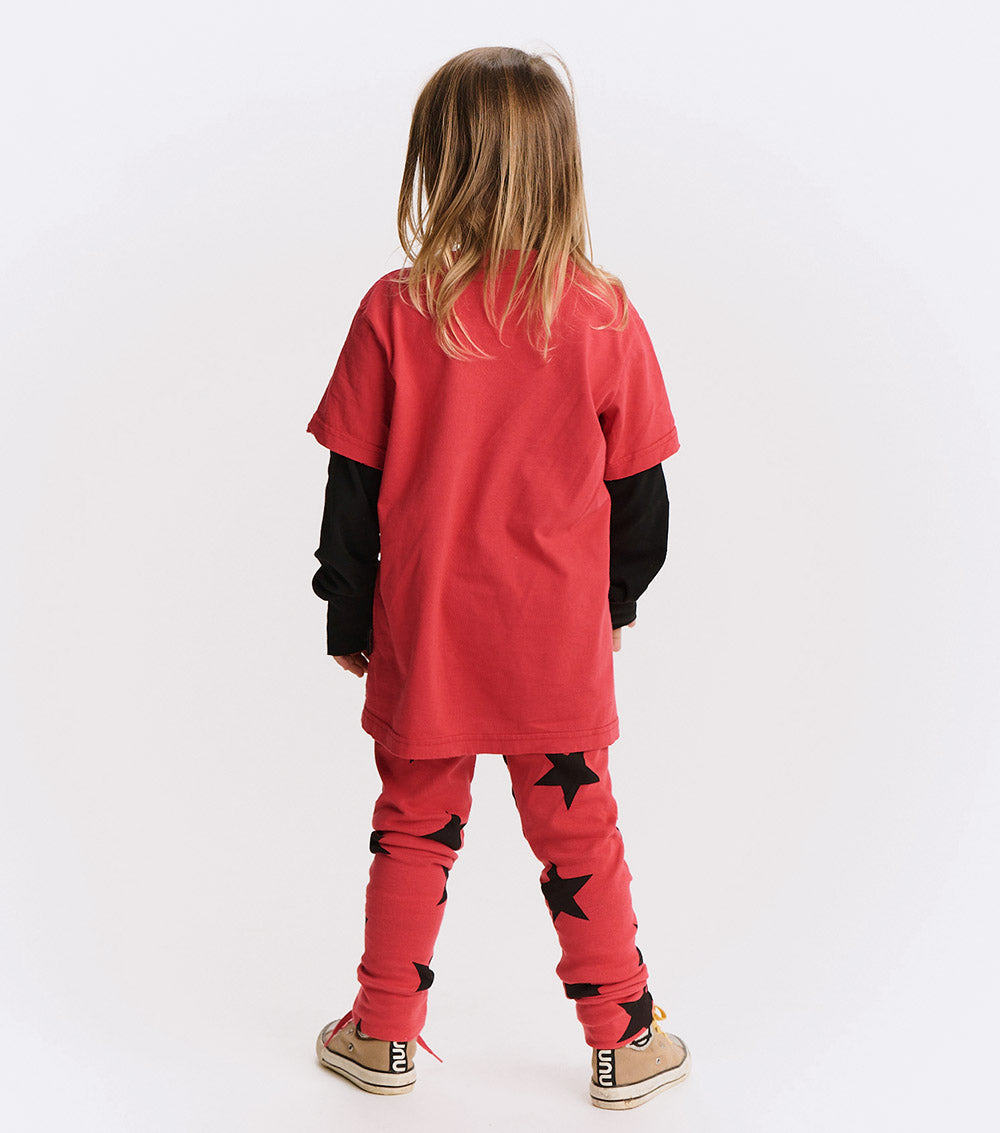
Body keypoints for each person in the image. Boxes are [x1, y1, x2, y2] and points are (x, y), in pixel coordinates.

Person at [305, 45, 691, 1111]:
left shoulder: (397, 308)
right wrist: (615, 602)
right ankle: (625, 1037)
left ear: (440, 161)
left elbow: (351, 487)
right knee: (581, 833)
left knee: (412, 825)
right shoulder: (604, 313)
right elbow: (642, 496)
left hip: (427, 629)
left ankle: (382, 1030)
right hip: (555, 637)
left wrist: (347, 612)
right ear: (561, 162)